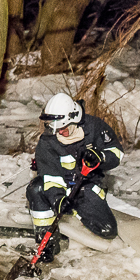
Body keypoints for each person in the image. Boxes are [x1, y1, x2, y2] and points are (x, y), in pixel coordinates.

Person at [27, 93, 124, 262]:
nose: (60, 132)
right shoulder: (47, 141)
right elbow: (50, 177)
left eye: (63, 128)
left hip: (87, 185)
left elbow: (117, 152)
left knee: (107, 230)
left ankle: (77, 213)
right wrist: (58, 200)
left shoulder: (95, 128)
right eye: (55, 128)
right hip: (60, 185)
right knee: (37, 187)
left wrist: (101, 156)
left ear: (74, 119)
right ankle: (47, 245)